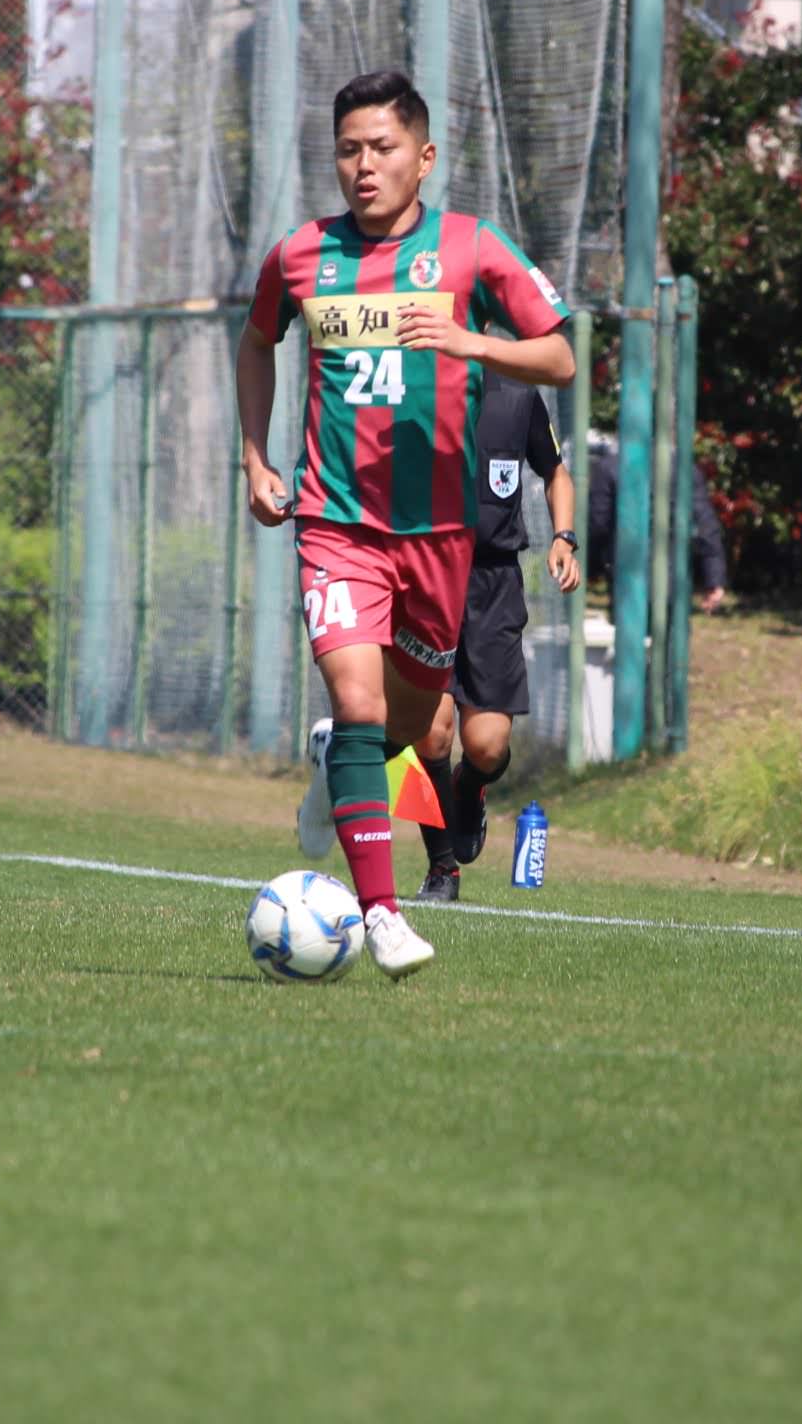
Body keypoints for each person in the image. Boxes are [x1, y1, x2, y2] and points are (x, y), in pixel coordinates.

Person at [238, 70, 574, 978]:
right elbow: (257, 340)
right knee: (359, 702)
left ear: (423, 158)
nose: (363, 165)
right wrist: (256, 458)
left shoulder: (471, 247)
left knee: (415, 726)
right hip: (336, 522)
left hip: (440, 538)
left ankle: (335, 767)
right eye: (348, 149)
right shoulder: (301, 255)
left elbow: (559, 356)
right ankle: (381, 915)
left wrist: (472, 342)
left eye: (382, 148)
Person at [406, 372, 580, 903]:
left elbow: (556, 473)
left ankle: (469, 787)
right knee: (429, 734)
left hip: (493, 582)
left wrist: (564, 537)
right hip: (424, 574)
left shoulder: (518, 395)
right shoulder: (412, 385)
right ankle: (442, 869)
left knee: (486, 745)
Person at [583, 431, 729, 610]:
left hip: (625, 569)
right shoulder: (684, 469)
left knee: (629, 623)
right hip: (673, 572)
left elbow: (598, 524)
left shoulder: (609, 467)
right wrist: (713, 578)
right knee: (670, 622)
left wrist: (589, 567)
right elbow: (705, 525)